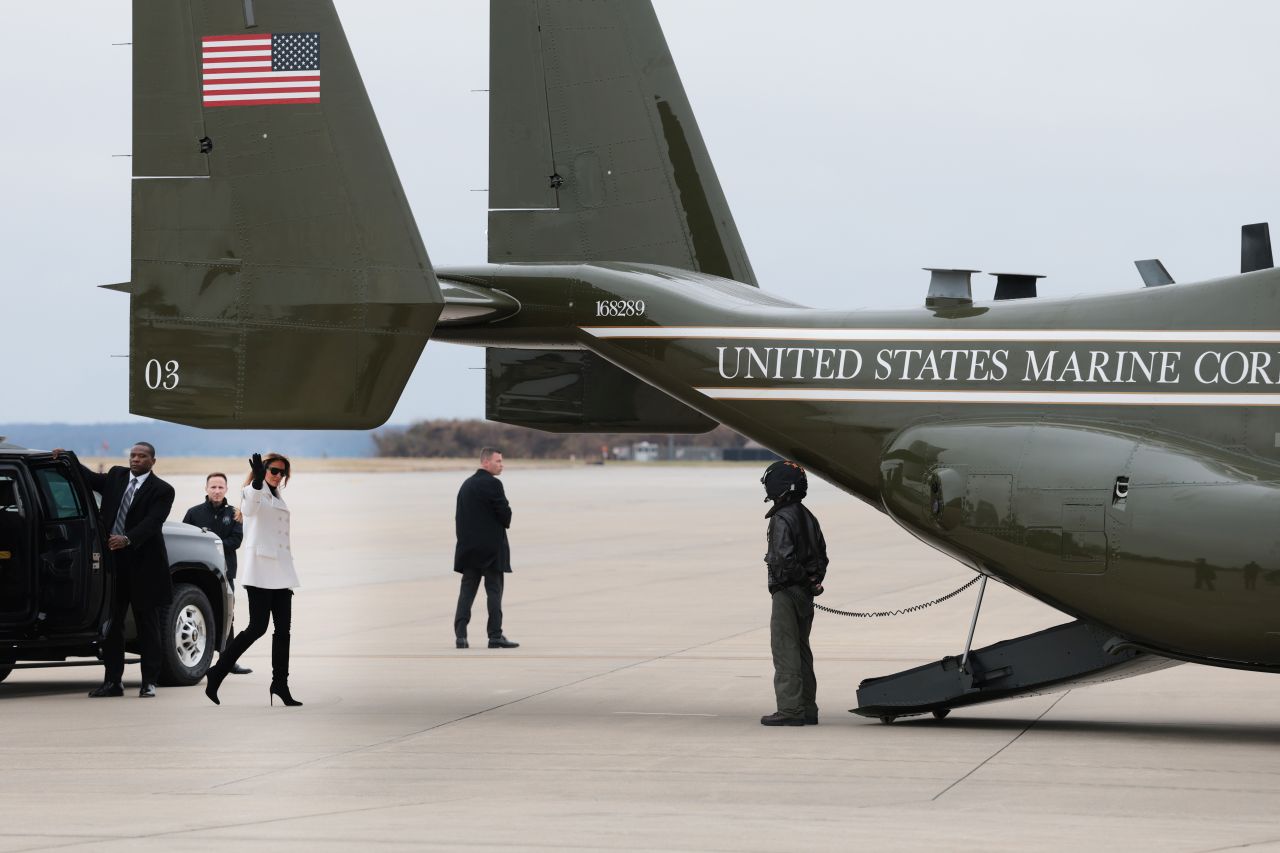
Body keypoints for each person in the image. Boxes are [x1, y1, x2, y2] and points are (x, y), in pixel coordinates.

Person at [57, 443, 175, 699]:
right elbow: (88, 479)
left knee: (148, 626)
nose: (135, 460)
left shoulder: (163, 490)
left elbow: (153, 523)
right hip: (114, 565)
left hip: (145, 566)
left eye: (141, 456)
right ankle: (113, 682)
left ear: (152, 461)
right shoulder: (116, 476)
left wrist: (127, 539)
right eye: (133, 455)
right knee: (113, 624)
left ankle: (149, 682)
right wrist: (68, 457)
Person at [204, 453, 302, 707]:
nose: (277, 475)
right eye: (273, 470)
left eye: (282, 472)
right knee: (257, 627)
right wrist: (258, 481)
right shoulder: (252, 490)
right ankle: (218, 672)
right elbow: (249, 508)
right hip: (260, 571)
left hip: (281, 571)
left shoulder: (278, 495)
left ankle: (280, 683)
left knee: (283, 631)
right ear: (263, 470)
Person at [759, 460, 827, 727]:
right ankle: (808, 708)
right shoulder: (808, 516)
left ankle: (790, 709)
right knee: (801, 649)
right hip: (805, 593)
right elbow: (822, 556)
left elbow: (782, 559)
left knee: (784, 648)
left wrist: (798, 580)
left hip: (787, 592)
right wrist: (813, 582)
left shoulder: (781, 518)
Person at [182, 472, 250, 675]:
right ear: (206, 489)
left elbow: (236, 541)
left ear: (226, 489)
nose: (217, 491)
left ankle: (228, 661)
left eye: (221, 487)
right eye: (213, 487)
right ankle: (198, 656)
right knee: (201, 612)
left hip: (225, 571)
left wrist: (212, 544)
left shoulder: (236, 513)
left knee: (228, 615)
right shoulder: (193, 513)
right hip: (199, 574)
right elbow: (186, 539)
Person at [453, 447, 518, 649]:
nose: (501, 464)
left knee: (467, 593)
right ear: (485, 463)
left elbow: (459, 518)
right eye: (498, 461)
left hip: (469, 549)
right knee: (494, 592)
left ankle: (461, 636)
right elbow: (505, 515)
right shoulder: (494, 484)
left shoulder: (466, 485)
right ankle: (495, 636)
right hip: (492, 550)